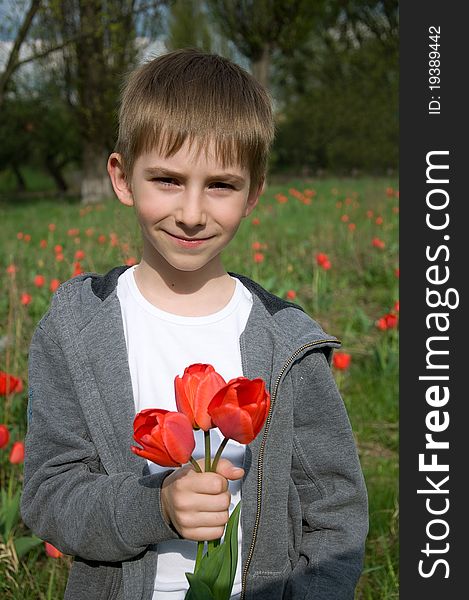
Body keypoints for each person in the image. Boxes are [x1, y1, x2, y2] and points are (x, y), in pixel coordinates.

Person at [20, 48, 368, 600]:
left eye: (221, 185)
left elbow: (334, 510)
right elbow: (50, 495)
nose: (190, 212)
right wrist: (154, 505)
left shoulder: (288, 344)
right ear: (122, 177)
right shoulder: (77, 328)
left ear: (254, 191)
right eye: (166, 179)